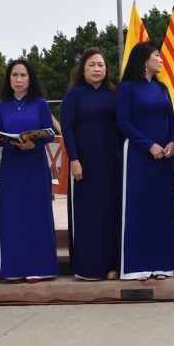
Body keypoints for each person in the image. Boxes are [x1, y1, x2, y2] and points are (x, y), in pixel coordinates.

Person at [116, 41, 174, 280]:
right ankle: (138, 266)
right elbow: (123, 123)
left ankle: (164, 264)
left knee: (163, 208)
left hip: (164, 157)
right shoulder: (127, 88)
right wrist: (149, 145)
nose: (161, 59)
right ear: (145, 60)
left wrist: (172, 142)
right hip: (137, 156)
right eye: (157, 55)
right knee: (139, 207)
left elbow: (172, 119)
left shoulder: (162, 88)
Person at [0, 59, 59, 284]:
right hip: (12, 164)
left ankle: (39, 267)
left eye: (23, 75)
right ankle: (15, 268)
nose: (19, 80)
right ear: (9, 79)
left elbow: (49, 134)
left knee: (36, 212)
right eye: (14, 75)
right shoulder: (2, 106)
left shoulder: (40, 104)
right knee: (13, 214)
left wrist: (34, 144)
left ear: (30, 78)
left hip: (35, 162)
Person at [60, 48, 122, 280]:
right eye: (92, 65)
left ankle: (112, 265)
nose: (97, 69)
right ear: (83, 69)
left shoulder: (113, 94)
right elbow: (67, 129)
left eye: (101, 65)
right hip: (84, 163)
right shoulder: (74, 95)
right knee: (88, 214)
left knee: (110, 212)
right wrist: (74, 160)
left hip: (110, 162)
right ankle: (87, 266)